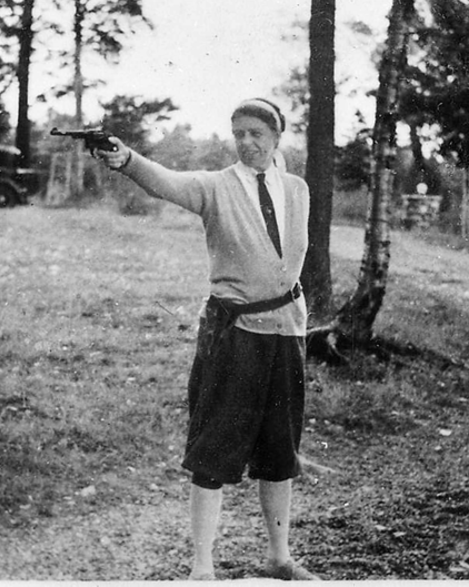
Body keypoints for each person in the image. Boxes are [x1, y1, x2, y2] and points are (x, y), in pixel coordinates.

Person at [94, 98, 319, 581]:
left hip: (287, 333)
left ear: (277, 137)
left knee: (280, 452)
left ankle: (279, 558)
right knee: (214, 451)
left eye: (257, 133)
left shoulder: (298, 191)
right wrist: (127, 159)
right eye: (239, 132)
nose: (247, 141)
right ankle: (202, 568)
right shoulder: (215, 188)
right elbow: (166, 181)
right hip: (233, 335)